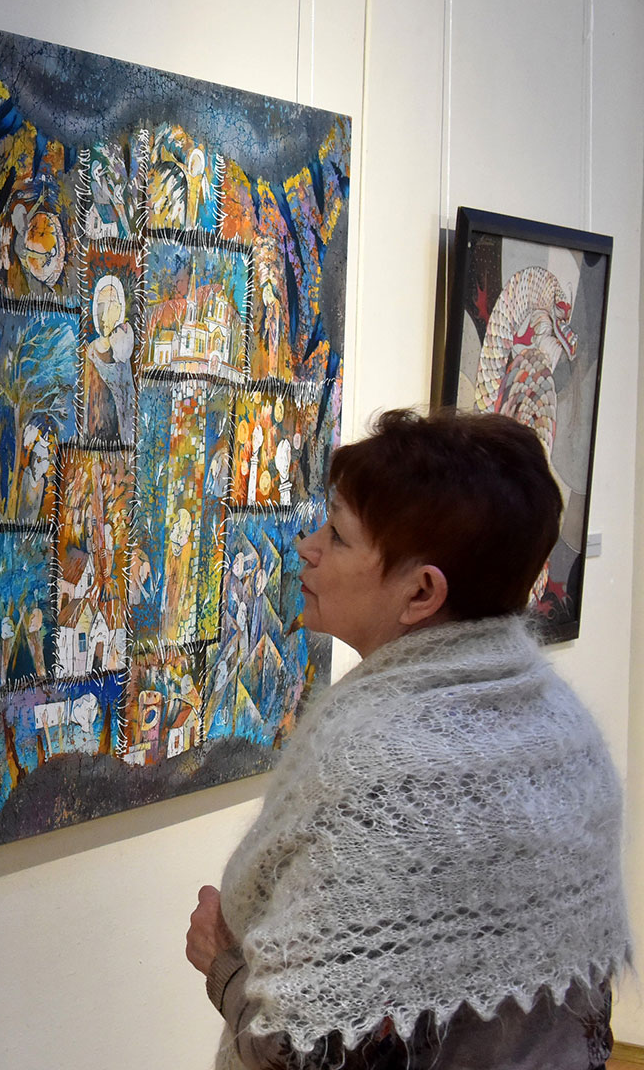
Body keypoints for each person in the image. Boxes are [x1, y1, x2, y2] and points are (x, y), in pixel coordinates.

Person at [184, 408, 628, 1069]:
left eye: (338, 536)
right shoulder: (565, 730)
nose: (307, 546)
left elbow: (306, 1048)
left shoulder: (371, 764)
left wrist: (222, 962)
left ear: (420, 592)